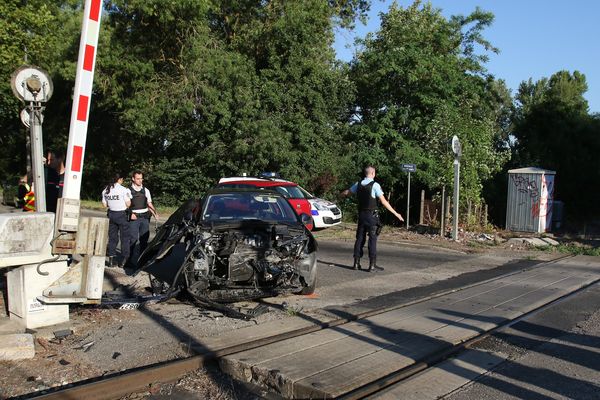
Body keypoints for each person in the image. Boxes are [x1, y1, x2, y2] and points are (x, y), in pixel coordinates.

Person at [342, 166, 404, 272]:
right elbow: (384, 202)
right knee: (372, 239)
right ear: (373, 173)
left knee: (360, 239)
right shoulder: (375, 185)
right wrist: (396, 213)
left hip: (361, 215)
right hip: (371, 216)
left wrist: (339, 195)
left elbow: (347, 193)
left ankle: (356, 263)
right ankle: (372, 265)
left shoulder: (358, 184)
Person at [128, 170, 159, 267]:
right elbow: (125, 205)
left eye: (141, 178)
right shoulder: (128, 190)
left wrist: (155, 213)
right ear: (133, 179)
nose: (140, 180)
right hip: (134, 218)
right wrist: (130, 213)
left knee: (144, 239)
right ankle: (129, 260)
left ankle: (142, 260)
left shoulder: (146, 190)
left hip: (145, 218)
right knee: (133, 239)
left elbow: (149, 203)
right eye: (138, 178)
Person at [102, 173, 132, 268]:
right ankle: (123, 261)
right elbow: (128, 204)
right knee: (125, 238)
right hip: (122, 215)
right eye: (122, 179)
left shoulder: (106, 190)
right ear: (119, 179)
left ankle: (111, 261)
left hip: (111, 214)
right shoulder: (124, 190)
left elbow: (104, 205)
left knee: (112, 238)